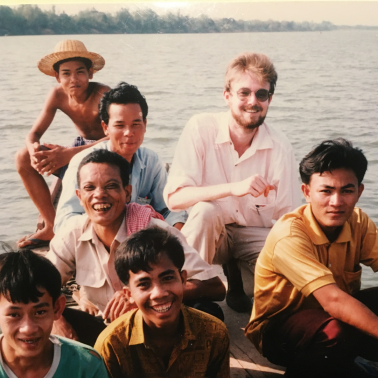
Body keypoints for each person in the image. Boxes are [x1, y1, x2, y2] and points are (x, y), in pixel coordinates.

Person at [164, 52, 302, 313]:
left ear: (270, 99)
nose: (253, 102)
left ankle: (239, 281)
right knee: (206, 211)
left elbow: (289, 219)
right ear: (226, 96)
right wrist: (231, 189)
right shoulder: (200, 127)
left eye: (262, 94)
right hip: (209, 235)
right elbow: (174, 198)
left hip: (252, 235)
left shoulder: (280, 146)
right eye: (244, 93)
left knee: (291, 268)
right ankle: (192, 301)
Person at [46, 150, 225, 346]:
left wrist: (139, 298)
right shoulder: (73, 232)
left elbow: (214, 287)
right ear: (79, 196)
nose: (99, 195)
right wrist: (56, 321)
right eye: (90, 188)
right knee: (32, 318)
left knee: (208, 313)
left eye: (111, 186)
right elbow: (37, 284)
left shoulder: (156, 233)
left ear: (128, 192)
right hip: (107, 329)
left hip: (155, 326)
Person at [245, 139, 378, 378]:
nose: (336, 202)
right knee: (334, 332)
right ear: (306, 192)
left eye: (347, 190)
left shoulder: (359, 222)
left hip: (335, 317)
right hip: (281, 331)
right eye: (326, 191)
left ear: (359, 192)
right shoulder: (289, 234)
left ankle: (347, 365)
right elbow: (333, 301)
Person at [95, 226, 230, 378]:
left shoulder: (214, 333)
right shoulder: (112, 344)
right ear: (129, 294)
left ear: (183, 279)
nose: (158, 293)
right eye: (144, 284)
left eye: (167, 278)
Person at [54, 81, 187, 233]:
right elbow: (64, 222)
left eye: (136, 124)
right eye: (120, 125)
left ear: (145, 125)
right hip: (95, 241)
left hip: (140, 244)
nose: (129, 132)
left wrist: (178, 232)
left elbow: (168, 209)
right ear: (105, 128)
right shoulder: (84, 164)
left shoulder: (151, 161)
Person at [16, 39, 110, 248]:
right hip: (78, 150)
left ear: (90, 73)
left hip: (106, 152)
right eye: (66, 73)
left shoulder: (103, 95)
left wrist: (70, 154)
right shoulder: (57, 95)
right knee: (22, 157)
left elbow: (117, 135)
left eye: (80, 72)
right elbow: (34, 133)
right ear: (57, 77)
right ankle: (51, 225)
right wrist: (33, 150)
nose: (73, 79)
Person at [0, 249, 108, 377]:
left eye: (40, 312)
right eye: (14, 315)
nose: (28, 329)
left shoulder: (85, 365)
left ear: (57, 308)